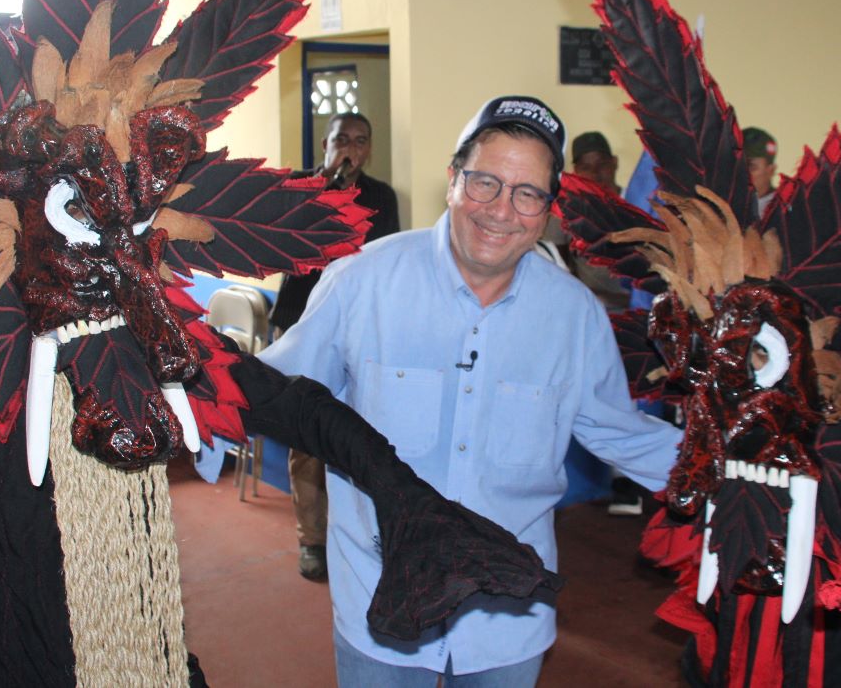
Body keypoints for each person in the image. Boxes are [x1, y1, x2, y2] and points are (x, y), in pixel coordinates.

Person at [261, 95, 681, 687]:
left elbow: (618, 431)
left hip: (506, 616)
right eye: (485, 182)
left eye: (527, 192)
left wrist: (736, 476)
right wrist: (174, 382)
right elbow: (271, 389)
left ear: (547, 208)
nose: (502, 210)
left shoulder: (573, 315)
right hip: (379, 604)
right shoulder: (362, 283)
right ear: (453, 178)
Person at [270, 111, 400, 581]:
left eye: (361, 141)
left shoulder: (381, 197)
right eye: (342, 139)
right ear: (324, 142)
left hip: (360, 326)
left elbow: (381, 262)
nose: (351, 148)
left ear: (369, 150)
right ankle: (312, 539)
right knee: (308, 436)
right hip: (301, 322)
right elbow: (285, 242)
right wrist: (327, 185)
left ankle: (364, 533)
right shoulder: (301, 187)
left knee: (360, 430)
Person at [545, 130, 630, 310]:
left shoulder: (638, 204)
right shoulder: (566, 212)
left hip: (643, 312)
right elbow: (554, 266)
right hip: (595, 310)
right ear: (575, 172)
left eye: (602, 164)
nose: (595, 174)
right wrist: (585, 296)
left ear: (614, 163)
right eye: (586, 167)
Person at [742, 126, 777, 215]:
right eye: (736, 165)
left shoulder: (785, 212)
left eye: (751, 166)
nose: (741, 172)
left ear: (771, 170)